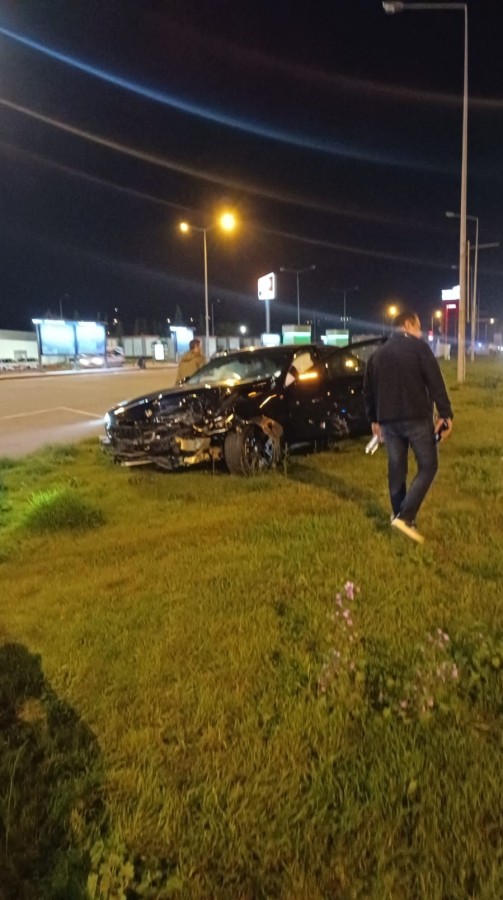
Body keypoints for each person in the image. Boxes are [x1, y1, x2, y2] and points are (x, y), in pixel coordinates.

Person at [363, 310, 453, 544]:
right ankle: (406, 516)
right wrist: (445, 414)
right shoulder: (419, 348)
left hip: (388, 421)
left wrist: (374, 419)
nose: (420, 332)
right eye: (418, 326)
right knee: (428, 466)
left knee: (397, 469)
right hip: (416, 418)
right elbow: (435, 381)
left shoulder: (377, 355)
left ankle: (399, 515)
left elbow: (368, 390)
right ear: (408, 324)